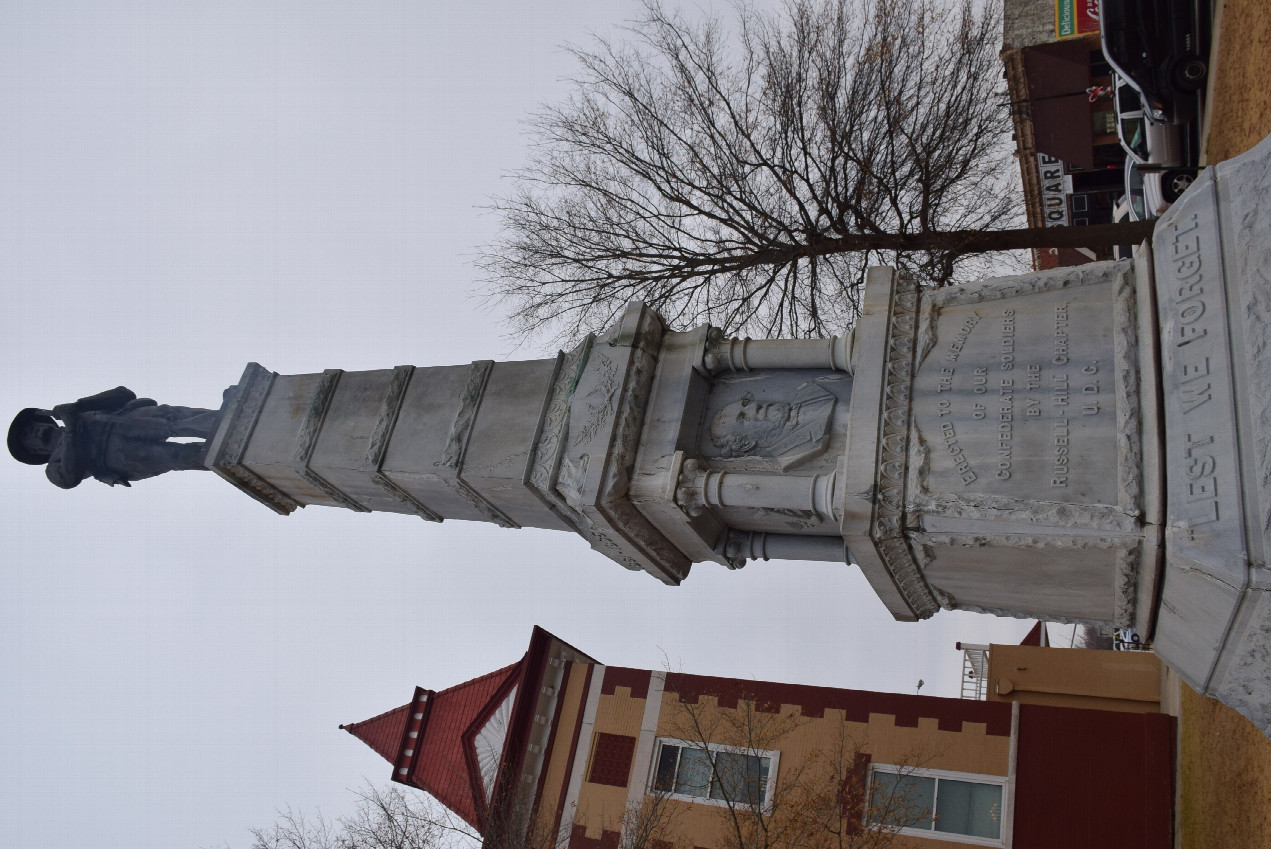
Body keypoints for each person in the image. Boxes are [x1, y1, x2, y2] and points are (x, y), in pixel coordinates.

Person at [8, 386, 221, 488]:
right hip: (119, 457)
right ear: (34, 450)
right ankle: (227, 455)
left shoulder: (77, 414)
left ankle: (231, 419)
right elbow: (68, 478)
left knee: (175, 419)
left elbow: (125, 395)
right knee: (178, 456)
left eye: (31, 426)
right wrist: (72, 429)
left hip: (126, 421)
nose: (34, 431)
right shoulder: (54, 466)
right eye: (28, 436)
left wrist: (81, 405)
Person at [708, 380, 835, 467]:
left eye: (746, 403)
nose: (755, 406)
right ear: (746, 444)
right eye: (744, 418)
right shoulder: (793, 455)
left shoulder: (811, 392)